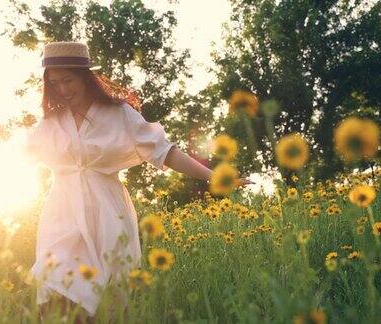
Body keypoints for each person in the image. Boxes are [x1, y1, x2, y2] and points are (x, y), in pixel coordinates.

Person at [25, 41, 252, 322]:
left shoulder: (118, 115)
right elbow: (17, 157)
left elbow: (165, 153)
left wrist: (214, 177)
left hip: (107, 216)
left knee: (102, 304)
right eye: (54, 83)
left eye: (68, 80)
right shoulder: (51, 123)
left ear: (85, 77)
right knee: (55, 290)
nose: (62, 89)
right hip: (61, 217)